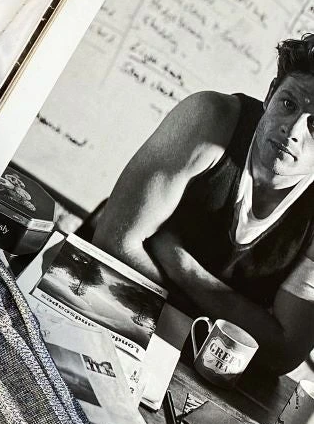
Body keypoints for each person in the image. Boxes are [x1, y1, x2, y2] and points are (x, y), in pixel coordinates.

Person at [89, 32, 314, 379]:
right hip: (98, 300)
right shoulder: (211, 119)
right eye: (288, 104)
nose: (293, 129)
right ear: (270, 94)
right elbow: (113, 246)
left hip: (202, 370)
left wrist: (180, 265)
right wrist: (230, 321)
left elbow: (282, 351)